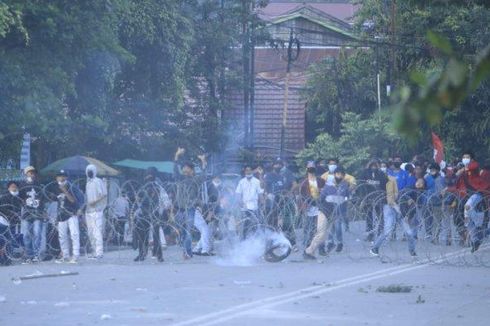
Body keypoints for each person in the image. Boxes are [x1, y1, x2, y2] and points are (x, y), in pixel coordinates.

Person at [370, 171, 417, 257]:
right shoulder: (378, 184)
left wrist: (403, 206)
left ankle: (412, 251)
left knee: (409, 233)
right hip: (388, 208)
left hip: (399, 207)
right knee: (388, 230)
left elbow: (397, 194)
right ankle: (375, 248)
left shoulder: (391, 180)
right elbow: (389, 199)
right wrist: (396, 207)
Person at [173, 147, 209, 259]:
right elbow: (175, 169)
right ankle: (187, 251)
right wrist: (177, 155)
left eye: (187, 168)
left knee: (188, 231)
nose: (185, 170)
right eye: (184, 168)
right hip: (180, 209)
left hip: (190, 209)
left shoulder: (195, 180)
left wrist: (203, 161)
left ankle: (187, 253)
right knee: (183, 232)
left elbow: (204, 175)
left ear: (192, 170)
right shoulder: (179, 178)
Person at [53, 170, 84, 264]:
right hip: (61, 214)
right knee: (62, 236)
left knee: (74, 234)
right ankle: (65, 255)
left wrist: (64, 190)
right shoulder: (55, 187)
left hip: (71, 213)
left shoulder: (72, 187)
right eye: (59, 176)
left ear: (66, 177)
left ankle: (75, 255)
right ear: (56, 178)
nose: (61, 178)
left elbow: (73, 201)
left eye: (63, 176)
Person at [303, 175, 335, 260]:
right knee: (319, 233)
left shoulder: (324, 184)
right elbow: (315, 198)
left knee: (322, 234)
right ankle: (308, 251)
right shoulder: (327, 188)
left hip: (326, 212)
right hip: (320, 211)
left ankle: (313, 251)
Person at [19, 166, 45, 263]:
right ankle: (29, 255)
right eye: (30, 173)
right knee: (26, 235)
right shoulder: (22, 185)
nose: (32, 174)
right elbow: (19, 199)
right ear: (26, 174)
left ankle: (36, 255)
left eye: (33, 173)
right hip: (26, 213)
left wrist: (43, 211)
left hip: (38, 213)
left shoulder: (40, 185)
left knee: (37, 233)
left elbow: (43, 199)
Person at [358, 159, 388, 242]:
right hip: (368, 198)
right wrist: (362, 198)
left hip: (379, 198)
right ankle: (370, 234)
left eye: (375, 166)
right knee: (369, 218)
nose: (374, 167)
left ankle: (380, 234)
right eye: (372, 166)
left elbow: (385, 184)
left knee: (380, 217)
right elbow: (361, 183)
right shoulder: (365, 173)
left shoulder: (381, 174)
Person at [323, 167, 350, 254]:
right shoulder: (329, 184)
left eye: (341, 174)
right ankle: (330, 242)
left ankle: (339, 243)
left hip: (340, 209)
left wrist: (345, 203)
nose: (339, 176)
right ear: (334, 174)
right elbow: (323, 195)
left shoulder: (345, 184)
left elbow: (347, 196)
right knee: (331, 226)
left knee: (338, 226)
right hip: (330, 208)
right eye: (338, 174)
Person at [298, 162, 325, 249]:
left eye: (312, 167)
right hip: (309, 207)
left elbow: (325, 192)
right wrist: (303, 207)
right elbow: (301, 196)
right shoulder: (304, 182)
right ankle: (307, 245)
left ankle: (321, 248)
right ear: (307, 169)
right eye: (309, 167)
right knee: (308, 228)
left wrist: (321, 191)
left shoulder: (320, 181)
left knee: (320, 228)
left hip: (319, 207)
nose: (311, 169)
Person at [235, 165, 264, 240]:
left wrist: (262, 203)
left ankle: (254, 240)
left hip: (254, 206)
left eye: (249, 170)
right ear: (245, 172)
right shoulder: (241, 182)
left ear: (252, 171)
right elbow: (238, 193)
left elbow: (260, 192)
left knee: (255, 224)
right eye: (246, 170)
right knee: (245, 225)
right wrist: (240, 202)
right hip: (244, 207)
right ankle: (243, 240)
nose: (248, 172)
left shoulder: (257, 181)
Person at [85, 164, 107, 259]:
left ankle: (99, 252)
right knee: (90, 233)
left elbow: (104, 194)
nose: (89, 172)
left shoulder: (98, 181)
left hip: (97, 210)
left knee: (97, 232)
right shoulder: (88, 183)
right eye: (88, 171)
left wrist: (95, 202)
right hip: (89, 211)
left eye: (91, 171)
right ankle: (94, 251)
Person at [0, 181, 24, 266]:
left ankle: (7, 259)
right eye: (12, 186)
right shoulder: (4, 197)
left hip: (12, 223)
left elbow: (20, 210)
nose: (14, 188)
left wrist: (17, 217)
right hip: (3, 222)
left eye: (15, 186)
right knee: (2, 241)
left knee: (9, 241)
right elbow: (2, 209)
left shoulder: (18, 198)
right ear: (8, 188)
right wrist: (13, 214)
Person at [424, 163, 446, 243]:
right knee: (428, 219)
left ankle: (435, 237)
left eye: (434, 170)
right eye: (431, 170)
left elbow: (443, 192)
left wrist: (443, 202)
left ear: (437, 170)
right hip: (428, 201)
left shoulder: (442, 179)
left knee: (437, 221)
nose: (432, 171)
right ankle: (430, 234)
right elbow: (424, 187)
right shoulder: (427, 178)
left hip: (438, 203)